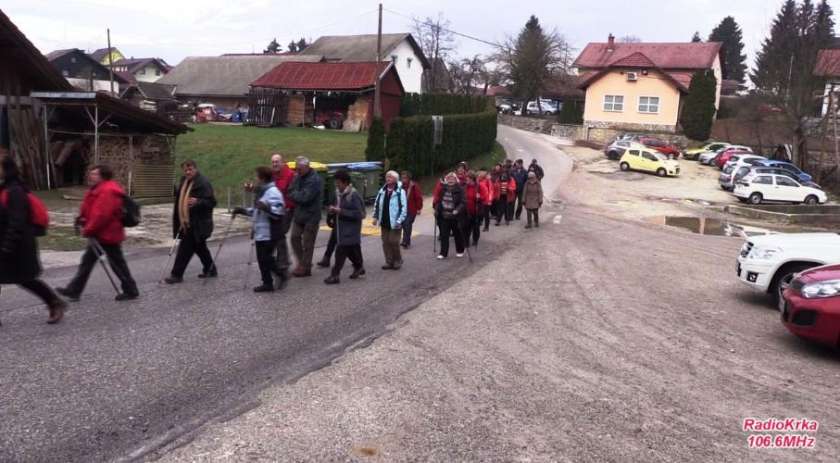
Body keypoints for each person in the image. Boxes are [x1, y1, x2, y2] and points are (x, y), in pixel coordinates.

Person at [58, 164, 139, 302]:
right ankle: (74, 290)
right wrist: (82, 219)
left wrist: (88, 229)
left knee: (116, 264)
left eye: (94, 174)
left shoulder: (107, 191)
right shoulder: (99, 189)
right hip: (100, 234)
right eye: (91, 173)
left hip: (108, 234)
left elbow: (101, 215)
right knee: (88, 262)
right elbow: (91, 209)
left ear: (103, 176)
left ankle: (131, 290)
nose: (91, 175)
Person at [0, 155, 66, 324]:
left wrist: (8, 246)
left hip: (18, 244)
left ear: (5, 169)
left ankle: (54, 302)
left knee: (25, 279)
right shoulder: (3, 188)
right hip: (6, 240)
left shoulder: (15, 191)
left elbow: (18, 222)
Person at [233, 166, 286, 292]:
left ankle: (280, 274)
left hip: (269, 231)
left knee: (265, 258)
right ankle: (267, 282)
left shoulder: (273, 192)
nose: (256, 179)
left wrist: (266, 208)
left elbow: (279, 212)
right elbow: (258, 210)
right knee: (262, 259)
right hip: (260, 231)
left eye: (257, 177)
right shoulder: (263, 191)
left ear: (262, 178)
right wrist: (243, 210)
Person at [164, 160, 217, 284]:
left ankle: (176, 274)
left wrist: (198, 202)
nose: (188, 172)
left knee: (185, 249)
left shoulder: (203, 183)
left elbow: (212, 202)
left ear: (195, 169)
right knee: (200, 247)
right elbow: (180, 199)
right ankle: (211, 269)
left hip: (198, 223)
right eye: (185, 170)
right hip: (186, 221)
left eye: (190, 169)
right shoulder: (184, 181)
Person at [324, 170, 366, 284]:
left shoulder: (353, 195)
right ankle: (359, 267)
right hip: (340, 229)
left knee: (340, 251)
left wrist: (341, 211)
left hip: (350, 230)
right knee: (350, 251)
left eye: (338, 183)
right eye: (335, 183)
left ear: (346, 182)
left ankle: (335, 275)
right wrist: (331, 212)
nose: (336, 185)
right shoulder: (338, 194)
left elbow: (361, 214)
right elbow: (336, 208)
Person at [288, 156, 323, 277]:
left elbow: (305, 198)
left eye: (300, 169)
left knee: (308, 243)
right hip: (299, 214)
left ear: (307, 167)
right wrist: (296, 195)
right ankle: (304, 264)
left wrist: (295, 195)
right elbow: (290, 190)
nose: (297, 171)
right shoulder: (298, 176)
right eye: (296, 169)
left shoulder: (315, 180)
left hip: (311, 216)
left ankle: (305, 268)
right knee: (294, 238)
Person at [372, 170, 407, 270]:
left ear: (395, 180)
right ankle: (389, 261)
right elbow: (377, 204)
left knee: (394, 241)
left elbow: (404, 208)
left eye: (390, 177)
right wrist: (375, 217)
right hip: (384, 220)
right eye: (387, 177)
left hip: (395, 222)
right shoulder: (382, 191)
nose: (387, 179)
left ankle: (398, 260)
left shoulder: (400, 192)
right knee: (385, 242)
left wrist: (399, 221)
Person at [271, 153, 295, 272]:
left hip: (287, 209)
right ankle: (283, 259)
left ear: (282, 162)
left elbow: (291, 193)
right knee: (278, 234)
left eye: (277, 161)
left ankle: (283, 260)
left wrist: (287, 206)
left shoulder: (290, 174)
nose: (275, 164)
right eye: (273, 162)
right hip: (275, 209)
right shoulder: (272, 174)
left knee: (280, 234)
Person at [435, 173, 465, 259]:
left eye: (452, 179)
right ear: (446, 180)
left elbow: (463, 202)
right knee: (444, 235)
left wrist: (457, 210)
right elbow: (439, 201)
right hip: (444, 215)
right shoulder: (443, 189)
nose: (450, 180)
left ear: (456, 180)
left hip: (455, 216)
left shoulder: (460, 189)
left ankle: (460, 250)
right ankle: (443, 253)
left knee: (457, 234)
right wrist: (437, 209)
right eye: (449, 178)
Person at [462, 171, 488, 248]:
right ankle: (466, 241)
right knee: (466, 227)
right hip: (467, 211)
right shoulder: (465, 187)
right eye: (466, 178)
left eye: (468, 178)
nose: (466, 180)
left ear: (472, 179)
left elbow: (485, 196)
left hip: (477, 211)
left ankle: (475, 240)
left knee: (476, 227)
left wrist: (479, 197)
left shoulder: (479, 186)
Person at [400, 170, 423, 248]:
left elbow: (418, 198)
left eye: (405, 178)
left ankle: (405, 241)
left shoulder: (414, 186)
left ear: (409, 178)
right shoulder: (400, 186)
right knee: (404, 225)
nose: (404, 179)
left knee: (407, 224)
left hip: (411, 210)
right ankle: (407, 241)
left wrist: (419, 208)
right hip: (402, 210)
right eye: (402, 178)